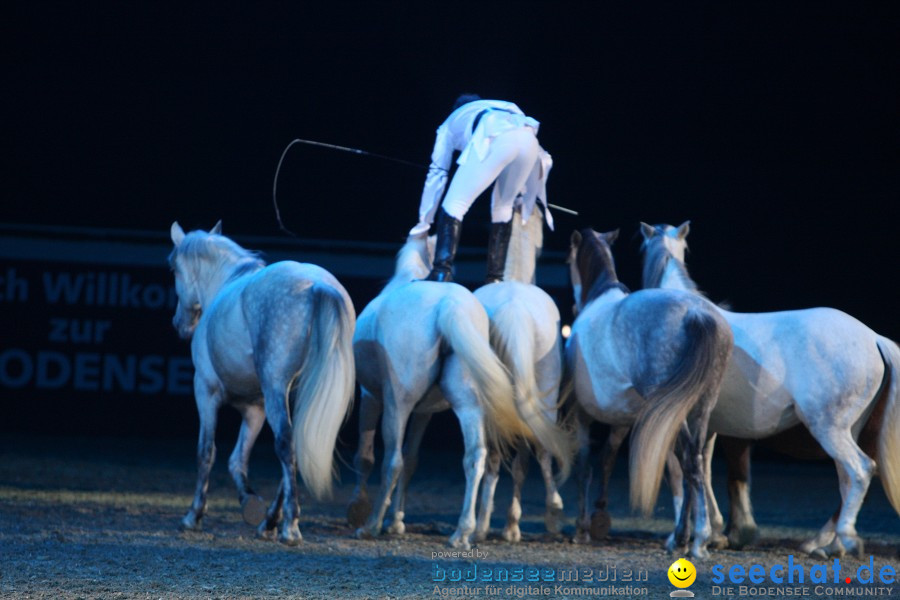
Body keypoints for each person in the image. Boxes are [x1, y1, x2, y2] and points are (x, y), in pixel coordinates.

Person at [410, 94, 553, 283]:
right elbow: (520, 144)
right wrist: (523, 193)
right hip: (530, 142)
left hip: (494, 135)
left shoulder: (450, 123)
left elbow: (437, 173)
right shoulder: (502, 107)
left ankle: (441, 271)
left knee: (455, 204)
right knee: (503, 208)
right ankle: (495, 278)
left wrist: (424, 223)